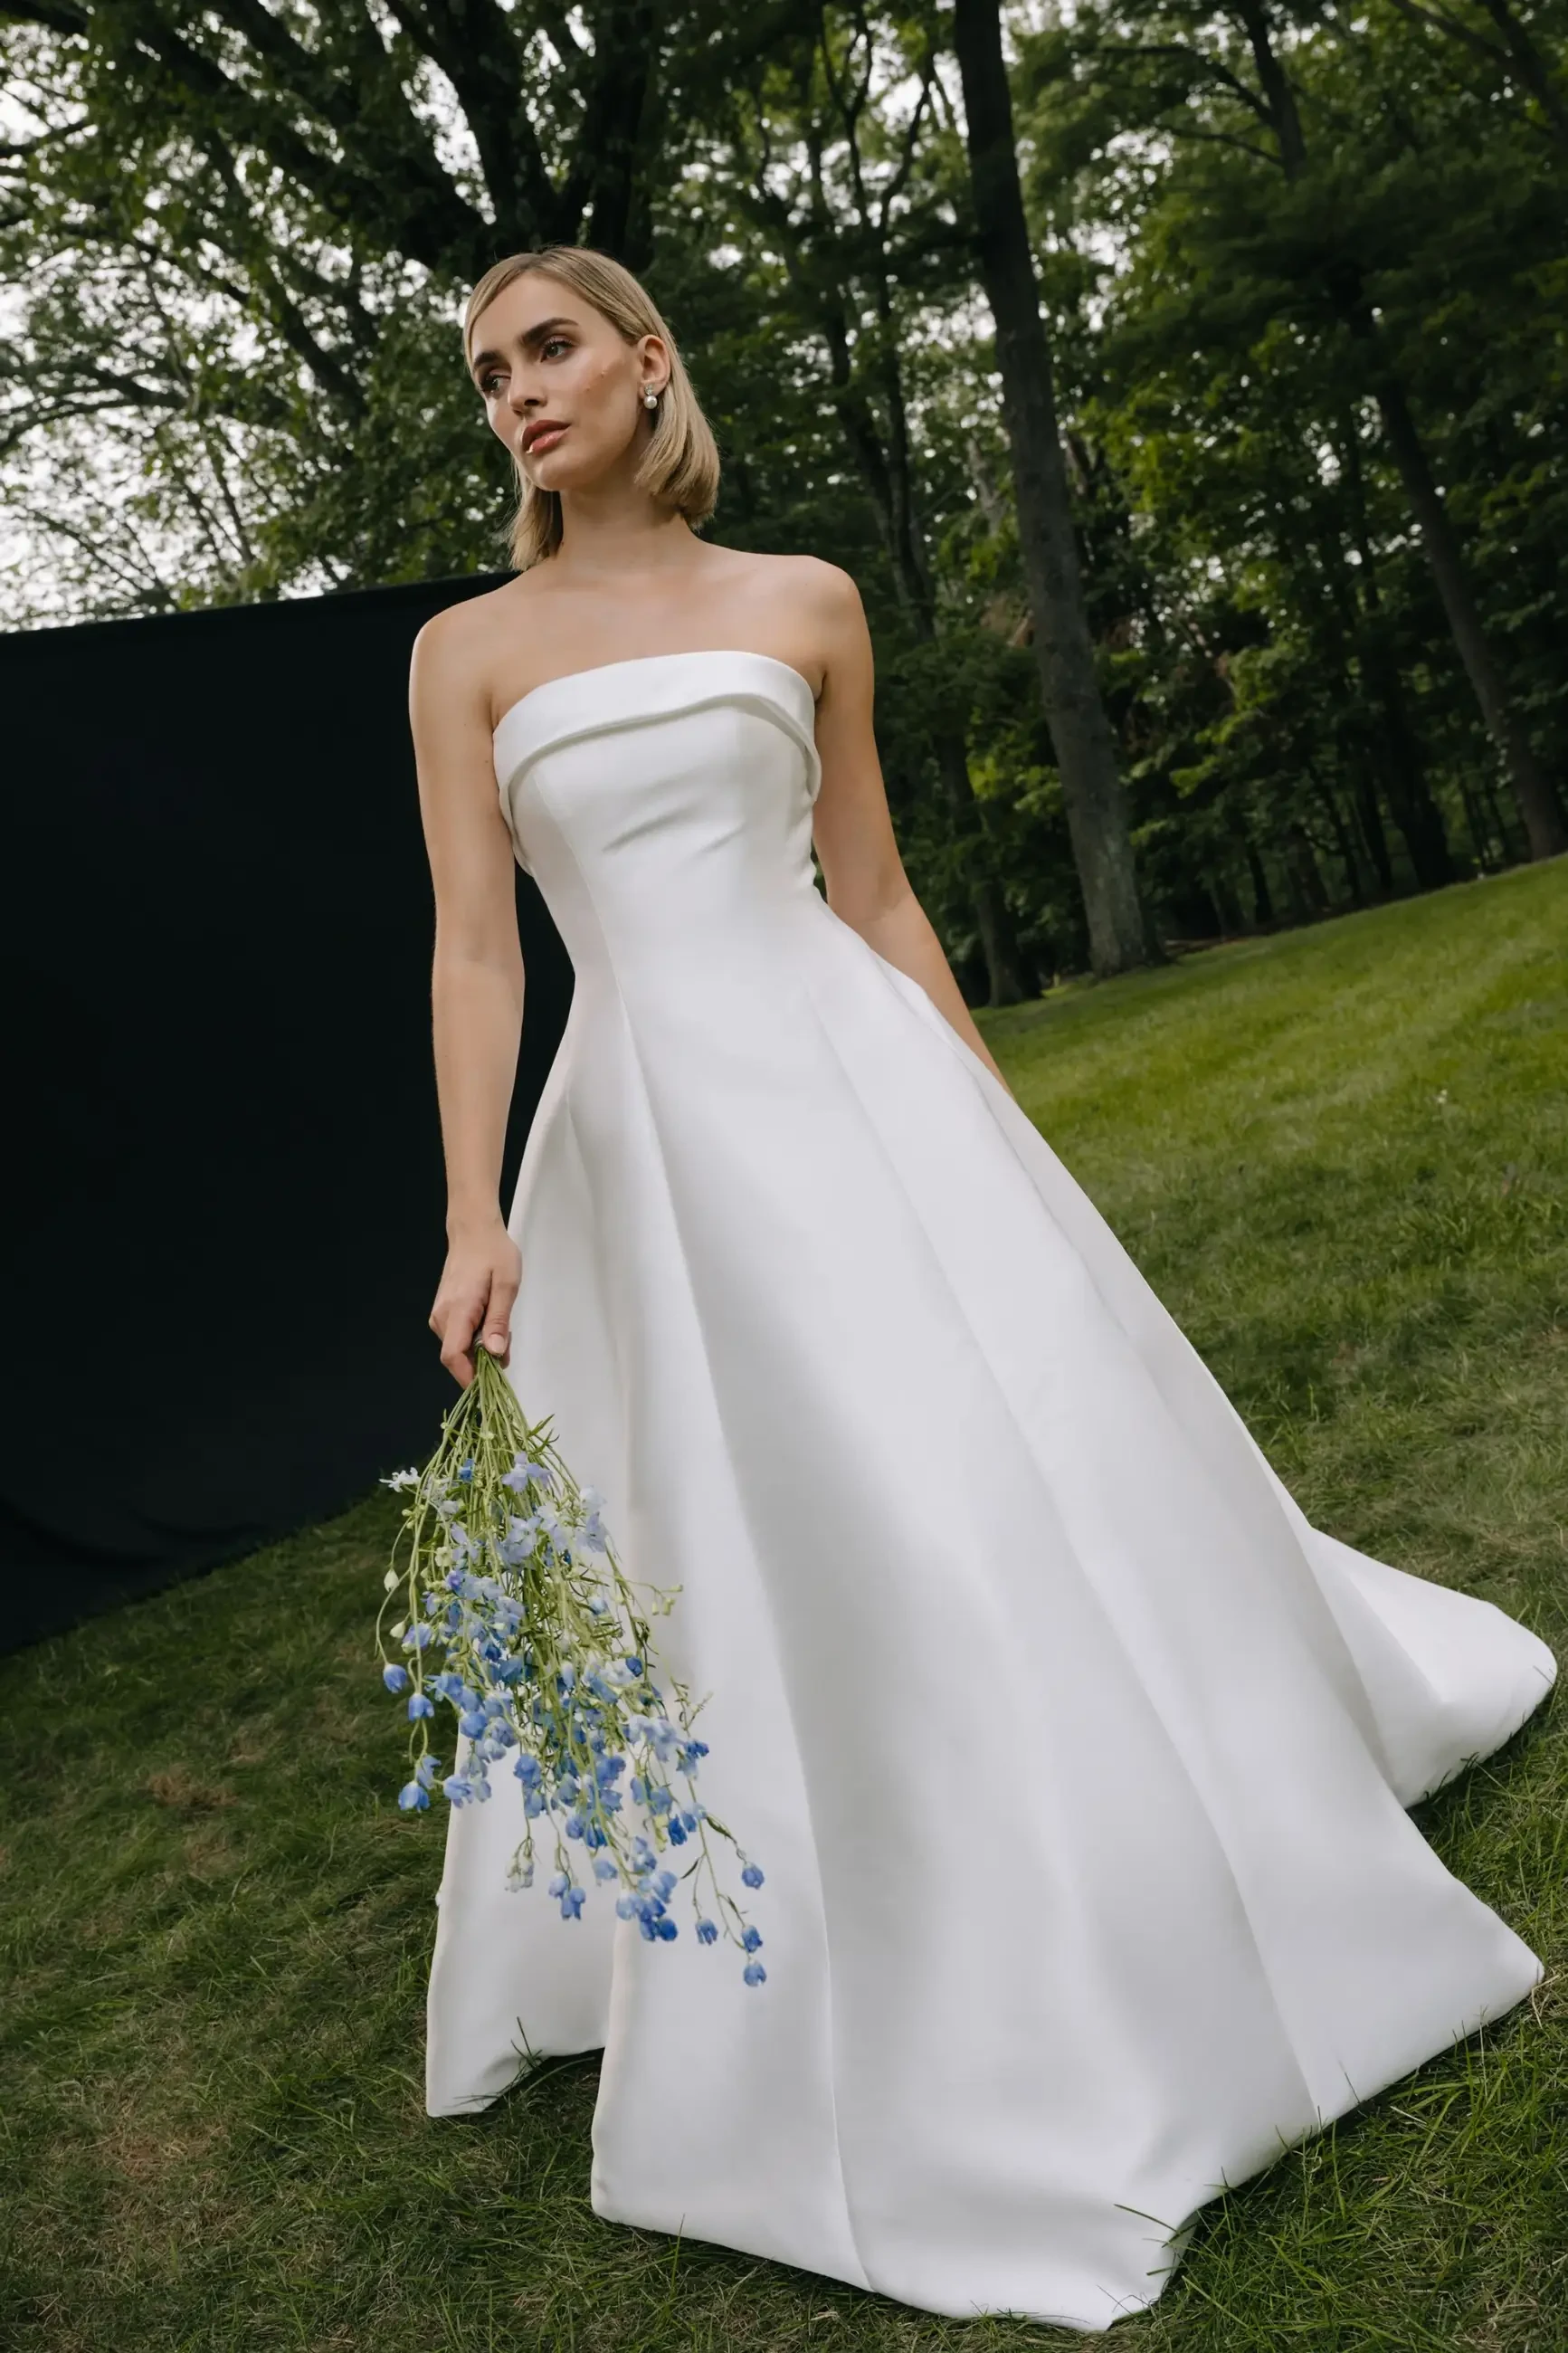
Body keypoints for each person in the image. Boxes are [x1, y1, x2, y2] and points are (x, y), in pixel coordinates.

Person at [407, 246, 1555, 2333]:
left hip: (851, 1078)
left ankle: (1115, 1864)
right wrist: (473, 1211)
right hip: (645, 1138)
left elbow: (871, 888)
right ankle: (851, 1917)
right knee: (743, 1528)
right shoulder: (464, 653)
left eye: (547, 348)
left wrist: (978, 1113)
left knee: (979, 1471)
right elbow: (477, 946)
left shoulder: (805, 600)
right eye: (488, 376)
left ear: (648, 362)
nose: (517, 395)